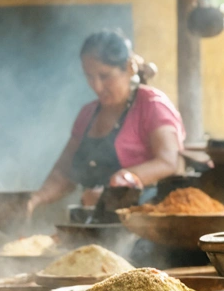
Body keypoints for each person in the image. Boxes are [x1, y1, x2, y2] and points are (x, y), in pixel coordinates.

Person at [27, 30, 184, 213]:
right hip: (95, 221)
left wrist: (120, 181)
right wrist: (33, 200)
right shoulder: (87, 114)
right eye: (89, 76)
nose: (97, 86)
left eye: (104, 76)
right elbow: (64, 172)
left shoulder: (151, 105)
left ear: (128, 68)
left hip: (145, 222)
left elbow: (169, 162)